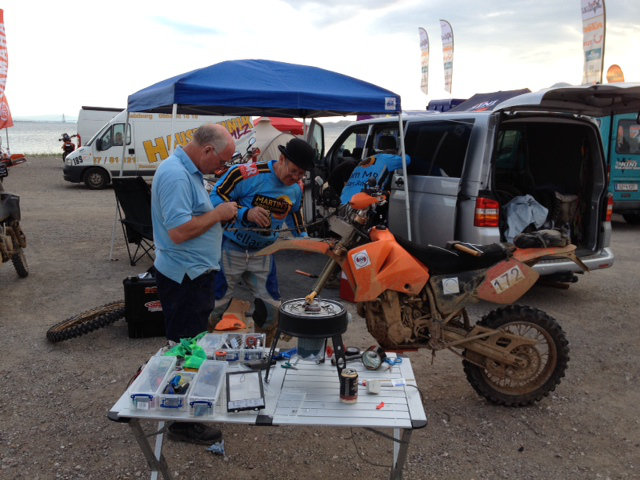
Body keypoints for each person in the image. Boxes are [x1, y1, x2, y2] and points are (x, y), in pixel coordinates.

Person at [151, 123, 239, 445]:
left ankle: (184, 406)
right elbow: (179, 231)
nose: (222, 168)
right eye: (221, 162)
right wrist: (217, 214)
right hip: (185, 277)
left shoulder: (187, 171)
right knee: (185, 347)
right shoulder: (175, 175)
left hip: (192, 273)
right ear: (206, 151)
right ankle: (182, 424)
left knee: (191, 342)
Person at [209, 138, 315, 334]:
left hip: (265, 252)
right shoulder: (245, 174)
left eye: (301, 174)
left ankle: (265, 354)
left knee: (271, 309)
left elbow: (294, 210)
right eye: (293, 171)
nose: (295, 178)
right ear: (281, 159)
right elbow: (215, 198)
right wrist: (245, 213)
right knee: (216, 304)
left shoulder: (296, 187)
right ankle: (202, 348)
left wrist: (302, 236)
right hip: (232, 247)